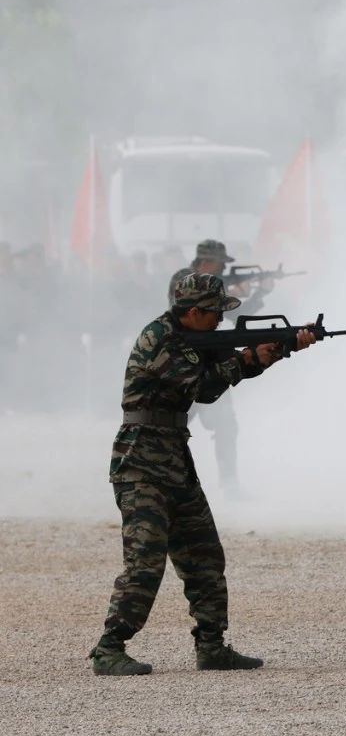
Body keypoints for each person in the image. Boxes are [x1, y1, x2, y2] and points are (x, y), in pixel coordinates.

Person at [89, 273, 316, 676]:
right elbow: (200, 384)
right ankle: (109, 649)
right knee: (145, 562)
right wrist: (249, 357)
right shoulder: (160, 339)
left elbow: (210, 390)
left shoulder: (193, 338)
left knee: (204, 556)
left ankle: (212, 646)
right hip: (141, 463)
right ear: (193, 312)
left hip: (174, 459)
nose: (219, 321)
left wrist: (273, 352)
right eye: (213, 313)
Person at [168, 239, 273, 495]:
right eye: (220, 264)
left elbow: (236, 316)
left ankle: (229, 483)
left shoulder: (215, 286)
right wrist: (230, 291)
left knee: (226, 423)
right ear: (206, 262)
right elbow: (187, 308)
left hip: (208, 360)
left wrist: (258, 294)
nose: (223, 269)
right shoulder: (183, 279)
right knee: (171, 425)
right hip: (184, 364)